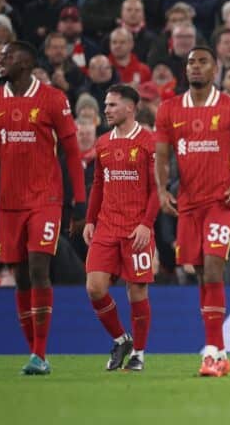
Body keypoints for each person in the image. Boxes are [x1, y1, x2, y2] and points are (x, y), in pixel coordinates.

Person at [154, 47, 230, 377]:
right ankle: (220, 350)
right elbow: (160, 157)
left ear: (215, 69)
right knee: (200, 273)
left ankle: (213, 353)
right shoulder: (169, 109)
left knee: (215, 269)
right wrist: (161, 190)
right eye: (191, 62)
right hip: (188, 205)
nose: (196, 67)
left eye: (203, 62)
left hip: (222, 203)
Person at [0, 41, 87, 375]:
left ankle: (40, 355)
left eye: (8, 56)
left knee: (39, 267)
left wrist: (79, 202)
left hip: (46, 199)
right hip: (9, 203)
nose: (0, 60)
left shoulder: (53, 99)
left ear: (26, 62)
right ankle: (34, 353)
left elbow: (72, 153)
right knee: (21, 276)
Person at [82, 85, 157, 371]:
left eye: (112, 105)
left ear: (129, 108)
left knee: (137, 292)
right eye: (106, 104)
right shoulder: (102, 143)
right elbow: (99, 184)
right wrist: (90, 220)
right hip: (106, 227)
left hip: (136, 228)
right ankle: (120, 338)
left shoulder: (149, 142)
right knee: (94, 287)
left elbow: (155, 189)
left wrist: (146, 225)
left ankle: (138, 352)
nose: (106, 109)